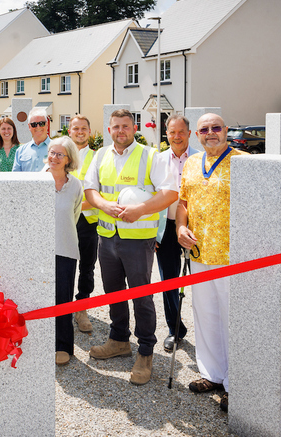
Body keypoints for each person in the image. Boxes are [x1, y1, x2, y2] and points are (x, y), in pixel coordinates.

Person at [83, 109, 178, 385]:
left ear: (134, 128)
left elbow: (170, 193)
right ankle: (119, 340)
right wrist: (102, 204)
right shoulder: (100, 155)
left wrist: (139, 210)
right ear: (109, 129)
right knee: (113, 292)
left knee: (141, 296)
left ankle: (145, 351)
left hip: (138, 238)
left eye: (125, 126)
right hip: (107, 236)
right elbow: (91, 190)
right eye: (115, 127)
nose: (120, 131)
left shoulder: (151, 156)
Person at [177, 113, 244, 413]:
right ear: (197, 135)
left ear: (226, 131)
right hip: (199, 254)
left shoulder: (244, 162)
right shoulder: (191, 162)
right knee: (205, 316)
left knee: (233, 320)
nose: (211, 133)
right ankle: (213, 375)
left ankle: (238, 384)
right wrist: (180, 228)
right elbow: (183, 202)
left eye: (216, 128)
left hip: (232, 258)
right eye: (204, 129)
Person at [155, 114, 198, 352]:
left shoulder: (201, 159)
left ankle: (207, 331)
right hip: (167, 229)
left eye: (181, 132)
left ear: (189, 134)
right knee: (168, 282)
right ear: (167, 134)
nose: (177, 136)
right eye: (172, 132)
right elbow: (152, 195)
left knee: (201, 281)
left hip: (197, 229)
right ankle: (175, 329)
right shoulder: (158, 159)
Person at [45, 136, 83, 366]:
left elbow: (75, 215)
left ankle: (63, 345)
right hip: (42, 250)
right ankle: (42, 343)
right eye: (51, 152)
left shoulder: (75, 184)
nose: (54, 158)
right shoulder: (37, 180)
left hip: (66, 248)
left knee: (63, 299)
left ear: (68, 159)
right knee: (41, 299)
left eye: (60, 154)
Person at [67, 115, 99, 334]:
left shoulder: (99, 157)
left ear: (90, 132)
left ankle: (82, 308)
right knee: (64, 266)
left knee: (87, 266)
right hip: (65, 221)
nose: (80, 132)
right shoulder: (61, 154)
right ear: (69, 131)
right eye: (75, 128)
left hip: (88, 221)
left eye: (83, 128)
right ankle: (63, 307)